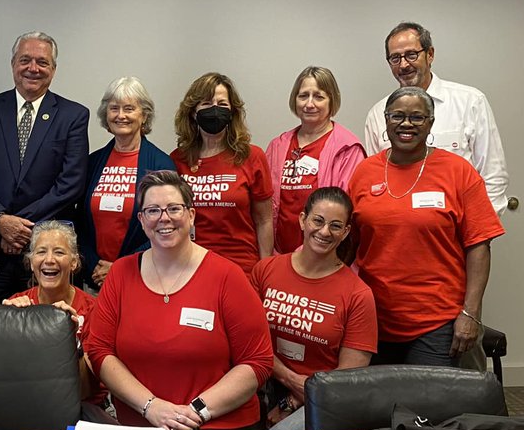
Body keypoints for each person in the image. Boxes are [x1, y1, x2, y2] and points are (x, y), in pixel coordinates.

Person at [84, 171, 273, 430]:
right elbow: (100, 351)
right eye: (152, 210)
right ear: (141, 219)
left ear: (191, 215)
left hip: (217, 429)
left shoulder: (227, 277)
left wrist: (195, 412)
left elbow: (257, 361)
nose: (164, 218)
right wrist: (151, 407)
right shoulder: (120, 274)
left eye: (174, 208)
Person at [350, 87, 505, 367]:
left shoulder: (458, 172)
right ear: (386, 121)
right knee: (379, 405)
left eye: (417, 117)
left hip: (437, 321)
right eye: (397, 115)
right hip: (375, 319)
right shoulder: (364, 172)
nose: (406, 124)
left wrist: (470, 314)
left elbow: (479, 245)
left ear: (431, 123)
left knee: (426, 407)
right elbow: (349, 243)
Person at [0, 32, 89, 304]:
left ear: (53, 70)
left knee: (47, 337)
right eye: (25, 60)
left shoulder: (73, 116)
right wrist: (0, 220)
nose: (33, 68)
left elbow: (71, 183)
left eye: (42, 62)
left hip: (47, 257)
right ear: (13, 64)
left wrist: (19, 228)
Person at [251, 187, 377, 430]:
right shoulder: (265, 270)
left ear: (346, 232)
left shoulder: (359, 295)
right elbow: (249, 341)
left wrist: (294, 398)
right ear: (302, 220)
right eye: (317, 221)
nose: (324, 232)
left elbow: (346, 379)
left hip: (321, 396)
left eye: (335, 226)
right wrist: (289, 379)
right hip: (262, 381)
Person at [363, 22, 509, 214]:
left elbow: (493, 176)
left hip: (456, 235)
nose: (404, 64)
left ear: (430, 54)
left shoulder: (470, 102)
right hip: (397, 233)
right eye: (395, 58)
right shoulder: (378, 113)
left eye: (411, 55)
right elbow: (375, 178)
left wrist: (477, 233)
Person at [171, 72, 273, 275]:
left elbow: (265, 220)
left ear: (232, 111)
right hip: (189, 268)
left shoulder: (252, 156)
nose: (215, 110)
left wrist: (265, 270)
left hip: (241, 269)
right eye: (206, 103)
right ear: (193, 111)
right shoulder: (177, 160)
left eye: (222, 104)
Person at [78, 76, 175, 289]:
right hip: (93, 279)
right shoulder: (92, 163)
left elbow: (167, 226)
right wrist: (94, 265)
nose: (121, 115)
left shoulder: (161, 165)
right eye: (114, 108)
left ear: (144, 115)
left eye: (129, 109)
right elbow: (80, 223)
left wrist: (121, 267)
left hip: (142, 279)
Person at [264, 66, 365, 255]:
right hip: (280, 255)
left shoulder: (348, 149)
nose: (309, 104)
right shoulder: (277, 146)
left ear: (331, 100)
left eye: (319, 96)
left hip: (324, 257)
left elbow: (344, 214)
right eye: (303, 96)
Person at [3, 220, 101, 404]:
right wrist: (8, 326)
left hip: (82, 408)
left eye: (59, 252)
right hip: (30, 403)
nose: (49, 260)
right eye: (41, 252)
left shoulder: (93, 309)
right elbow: (7, 380)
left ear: (74, 262)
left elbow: (86, 390)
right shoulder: (17, 304)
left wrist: (71, 340)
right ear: (31, 262)